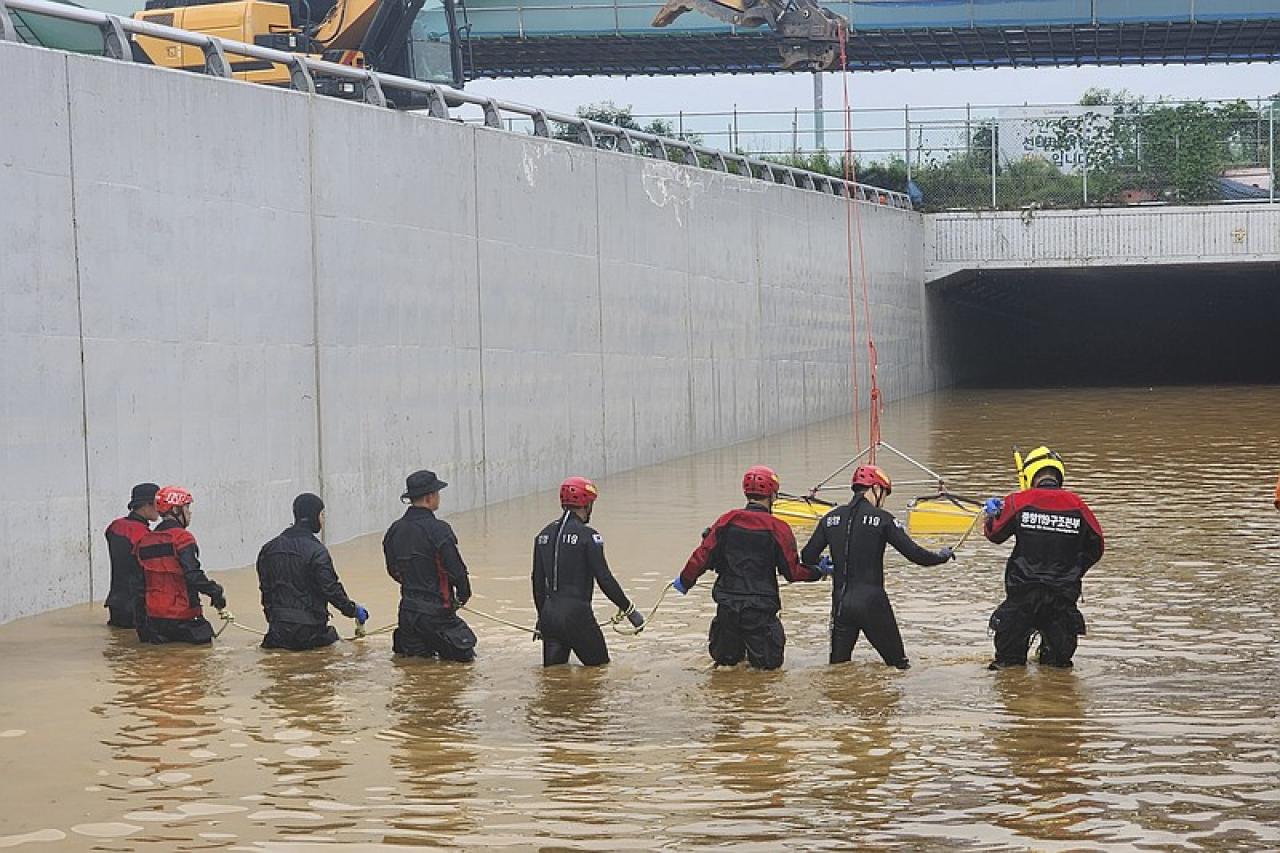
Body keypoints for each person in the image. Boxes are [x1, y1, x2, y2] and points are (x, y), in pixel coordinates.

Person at [800, 464, 954, 670]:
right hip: (872, 603)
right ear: (875, 488)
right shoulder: (883, 519)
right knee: (899, 667)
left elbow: (807, 556)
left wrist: (824, 564)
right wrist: (941, 556)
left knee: (838, 670)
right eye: (884, 494)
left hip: (841, 605)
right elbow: (917, 555)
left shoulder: (830, 518)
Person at [672, 465, 823, 670]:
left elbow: (703, 555)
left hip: (728, 609)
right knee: (767, 673)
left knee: (726, 669)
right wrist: (818, 571)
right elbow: (793, 572)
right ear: (773, 495)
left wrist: (685, 580)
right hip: (760, 612)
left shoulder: (727, 520)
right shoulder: (778, 528)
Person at [983, 446, 1104, 670]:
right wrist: (1073, 569)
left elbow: (995, 535)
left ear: (1030, 475)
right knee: (1058, 669)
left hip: (1022, 595)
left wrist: (990, 516)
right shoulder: (1078, 505)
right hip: (1062, 598)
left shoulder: (1018, 501)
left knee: (1007, 668)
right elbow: (1097, 546)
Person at [532, 477, 645, 667]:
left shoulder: (542, 535)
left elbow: (537, 582)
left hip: (549, 617)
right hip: (578, 616)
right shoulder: (589, 536)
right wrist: (629, 610)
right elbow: (605, 579)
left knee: (554, 682)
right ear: (587, 504)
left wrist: (542, 617)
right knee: (600, 672)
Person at [383, 469, 476, 662]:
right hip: (437, 614)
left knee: (415, 670)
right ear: (430, 497)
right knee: (464, 662)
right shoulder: (439, 530)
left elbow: (393, 571)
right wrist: (462, 597)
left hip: (407, 613)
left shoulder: (394, 530)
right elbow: (457, 571)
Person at [256, 493, 370, 650]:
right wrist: (354, 610)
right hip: (312, 633)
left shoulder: (268, 549)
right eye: (323, 515)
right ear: (316, 516)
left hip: (277, 633)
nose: (323, 520)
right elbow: (331, 590)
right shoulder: (317, 551)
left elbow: (266, 590)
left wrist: (275, 621)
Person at [134, 486, 227, 645]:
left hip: (155, 620)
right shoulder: (183, 539)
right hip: (184, 617)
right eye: (187, 507)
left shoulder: (144, 541)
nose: (190, 513)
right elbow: (193, 575)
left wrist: (142, 626)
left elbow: (138, 585)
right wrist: (215, 592)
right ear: (176, 510)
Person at [103, 482, 160, 628]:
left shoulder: (114, 527)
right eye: (157, 504)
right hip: (136, 604)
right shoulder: (144, 535)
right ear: (146, 505)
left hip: (115, 601)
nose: (160, 509)